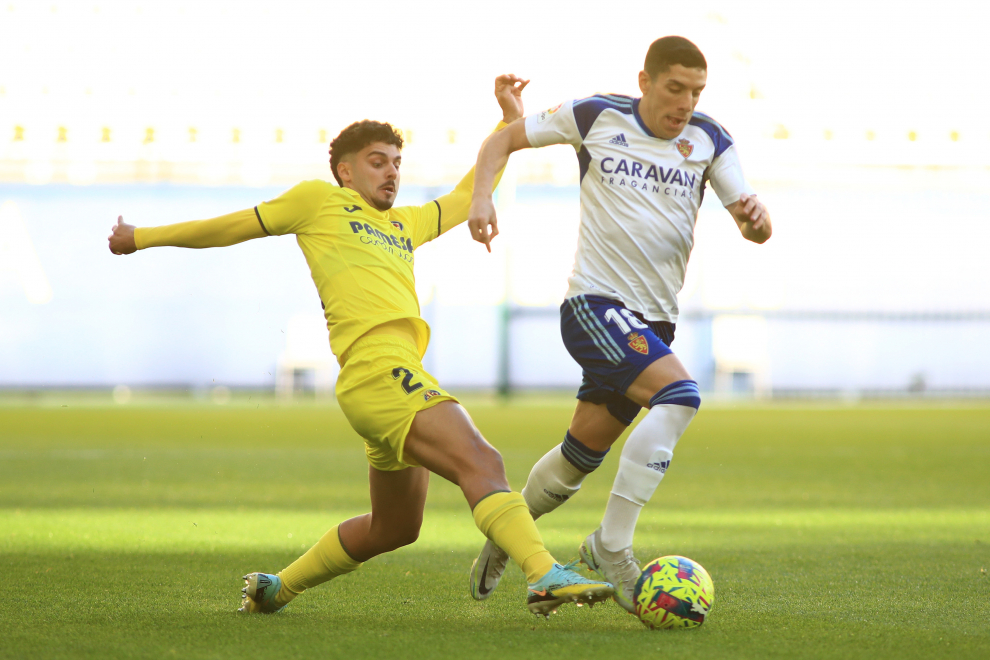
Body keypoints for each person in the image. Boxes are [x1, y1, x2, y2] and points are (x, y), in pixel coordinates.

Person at [106, 74, 613, 617]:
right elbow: (231, 226)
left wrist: (509, 118)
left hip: (387, 377)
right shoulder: (318, 201)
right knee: (481, 460)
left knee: (395, 527)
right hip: (377, 371)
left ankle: (276, 588)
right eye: (378, 161)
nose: (392, 171)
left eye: (396, 162)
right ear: (345, 169)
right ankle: (542, 575)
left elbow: (469, 195)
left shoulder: (403, 224)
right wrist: (141, 237)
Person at [465, 38, 772, 613]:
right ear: (646, 81)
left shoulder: (710, 139)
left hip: (654, 325)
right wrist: (482, 198)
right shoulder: (596, 115)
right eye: (675, 88)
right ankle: (612, 546)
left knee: (581, 453)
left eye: (696, 91)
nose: (685, 102)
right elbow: (503, 140)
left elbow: (753, 224)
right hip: (595, 305)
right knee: (680, 396)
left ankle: (509, 532)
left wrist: (756, 222)